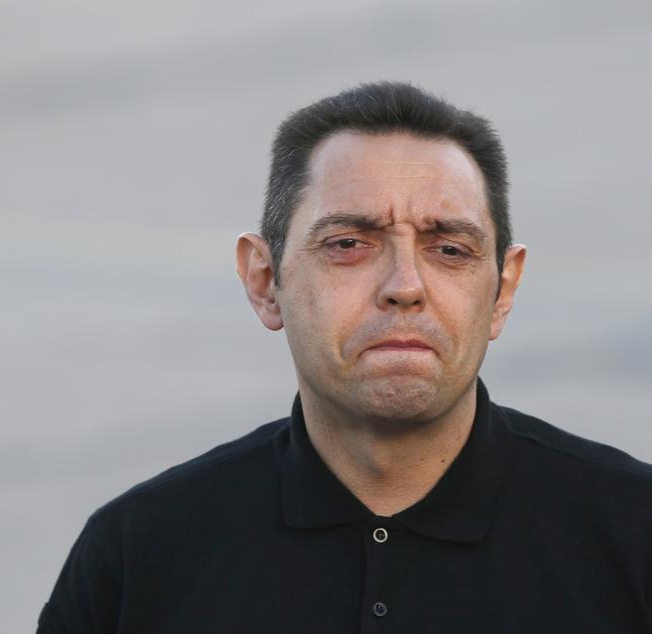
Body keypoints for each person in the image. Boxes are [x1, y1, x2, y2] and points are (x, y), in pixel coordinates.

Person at [36, 82, 652, 633]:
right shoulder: (140, 554)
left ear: (503, 289)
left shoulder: (633, 536)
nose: (405, 285)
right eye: (350, 244)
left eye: (451, 249)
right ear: (264, 278)